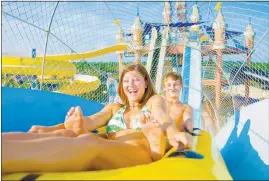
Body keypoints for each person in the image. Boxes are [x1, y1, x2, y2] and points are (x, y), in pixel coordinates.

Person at [2, 63, 192, 174]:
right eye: (126, 81)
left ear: (145, 83)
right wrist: (78, 123)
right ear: (121, 86)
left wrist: (173, 132)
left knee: (89, 143)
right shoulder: (114, 108)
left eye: (135, 80)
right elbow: (94, 120)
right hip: (114, 146)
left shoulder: (153, 101)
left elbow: (161, 114)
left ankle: (154, 141)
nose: (130, 84)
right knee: (68, 133)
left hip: (136, 150)